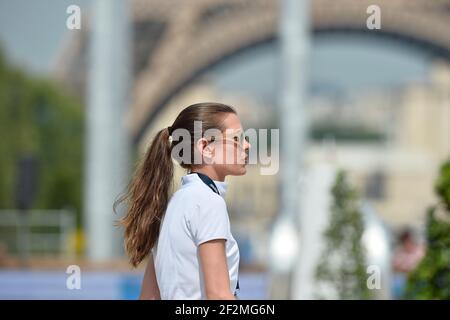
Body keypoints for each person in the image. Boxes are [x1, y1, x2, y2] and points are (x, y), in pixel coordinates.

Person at [115, 102, 251, 300]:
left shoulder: (171, 205)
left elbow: (148, 297)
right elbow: (219, 296)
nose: (246, 145)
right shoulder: (208, 201)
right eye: (236, 138)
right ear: (205, 147)